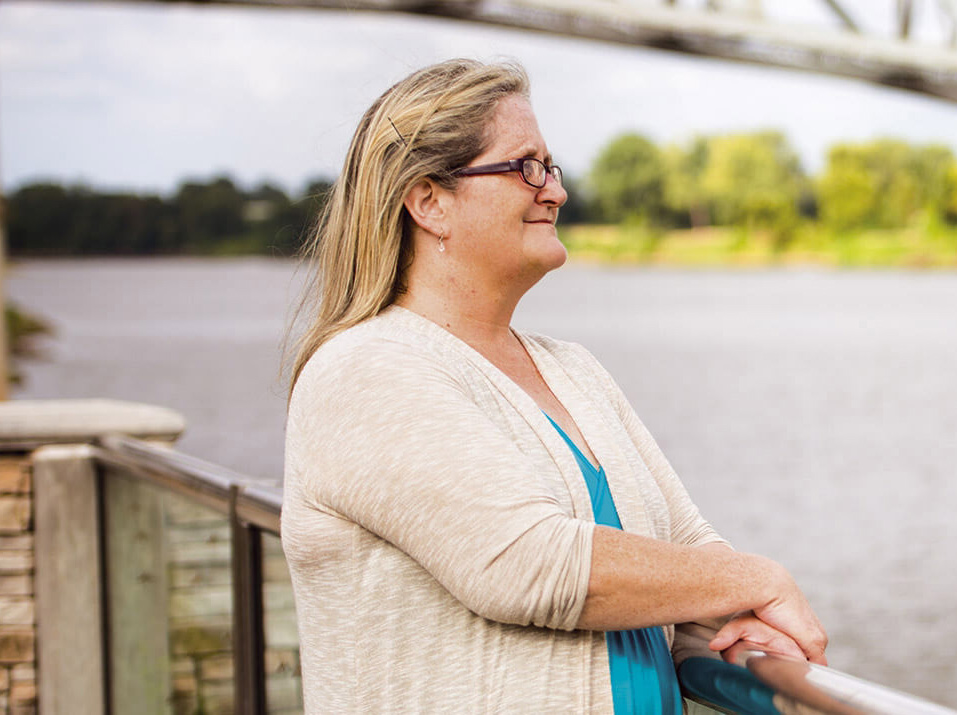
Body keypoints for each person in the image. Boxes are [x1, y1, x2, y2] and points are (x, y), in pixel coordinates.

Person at [281, 59, 826, 712]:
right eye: (525, 167)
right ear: (429, 201)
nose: (555, 191)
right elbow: (526, 564)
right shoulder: (365, 370)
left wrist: (747, 625)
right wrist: (756, 579)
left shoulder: (574, 369)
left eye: (551, 166)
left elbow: (688, 546)